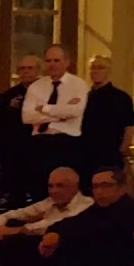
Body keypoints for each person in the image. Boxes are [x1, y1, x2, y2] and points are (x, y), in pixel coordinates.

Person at [23, 45, 88, 194]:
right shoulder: (36, 87)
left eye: (57, 60)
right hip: (40, 142)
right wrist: (61, 112)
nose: (52, 64)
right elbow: (27, 117)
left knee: (66, 188)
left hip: (68, 142)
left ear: (66, 62)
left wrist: (45, 109)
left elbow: (75, 111)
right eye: (48, 60)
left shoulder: (78, 84)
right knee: (40, 187)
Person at [0, 55, 41, 206]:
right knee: (15, 195)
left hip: (37, 150)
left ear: (38, 70)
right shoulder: (10, 94)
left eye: (30, 68)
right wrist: (9, 108)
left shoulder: (45, 92)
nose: (25, 72)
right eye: (22, 69)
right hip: (13, 152)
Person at [81, 55, 134, 192]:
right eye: (93, 67)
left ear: (108, 71)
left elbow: (128, 125)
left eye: (100, 67)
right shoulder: (84, 97)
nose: (96, 71)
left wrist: (124, 147)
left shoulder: (121, 98)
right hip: (86, 152)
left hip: (110, 152)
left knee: (109, 189)